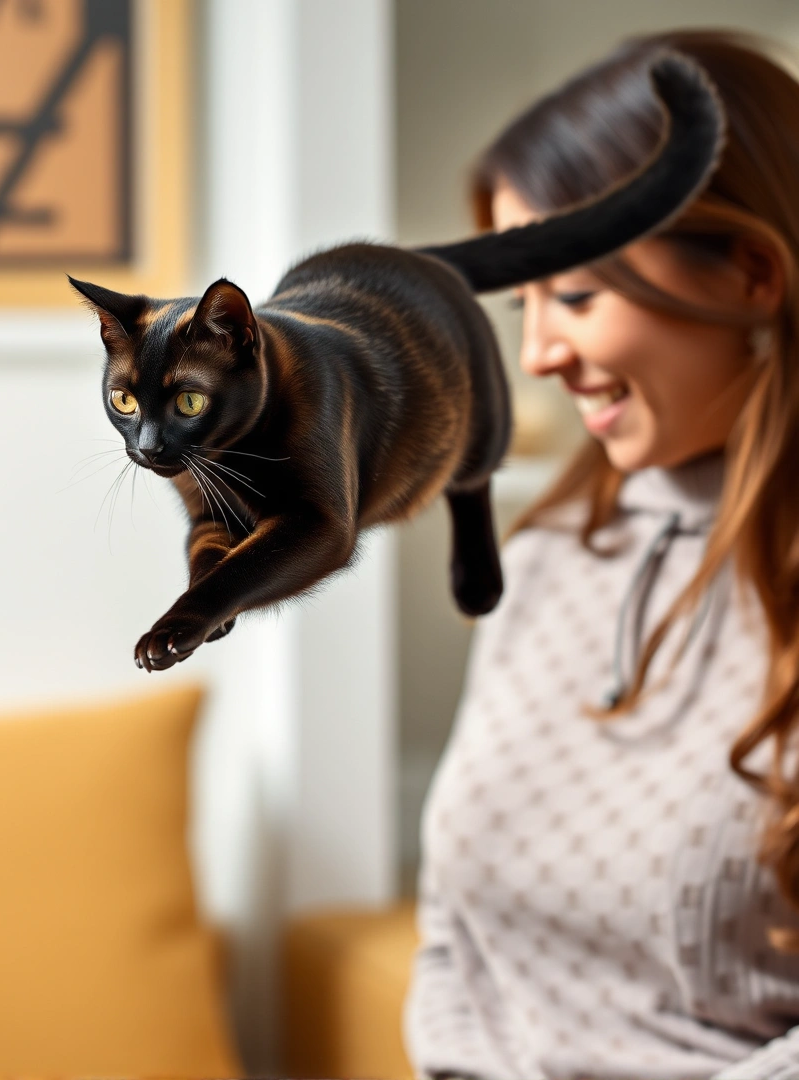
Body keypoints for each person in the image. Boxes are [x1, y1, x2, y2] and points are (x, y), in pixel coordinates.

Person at [407, 30, 799, 1080]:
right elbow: (454, 939)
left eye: (575, 297)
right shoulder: (543, 563)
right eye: (524, 301)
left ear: (756, 273)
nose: (535, 353)